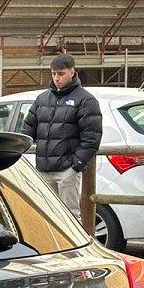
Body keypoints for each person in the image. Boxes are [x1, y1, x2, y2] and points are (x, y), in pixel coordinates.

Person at [22, 54, 103, 214]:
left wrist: (76, 165)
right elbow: (28, 129)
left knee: (71, 218)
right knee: (47, 217)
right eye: (53, 74)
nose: (56, 78)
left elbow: (92, 137)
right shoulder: (42, 99)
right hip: (43, 169)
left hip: (67, 170)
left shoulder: (86, 100)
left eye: (61, 74)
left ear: (72, 72)